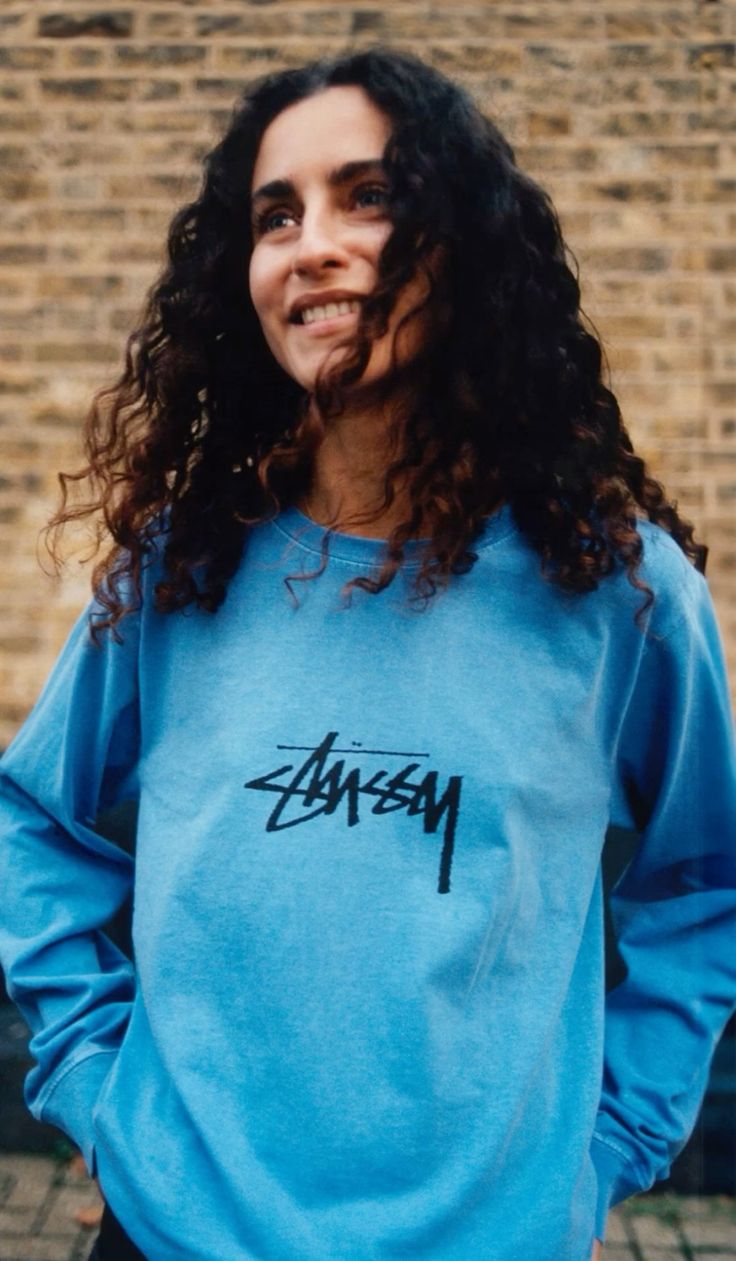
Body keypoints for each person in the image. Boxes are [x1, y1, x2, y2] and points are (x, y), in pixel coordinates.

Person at [0, 47, 734, 1261]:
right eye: (275, 216)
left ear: (464, 243)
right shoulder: (182, 567)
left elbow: (704, 881)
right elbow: (32, 819)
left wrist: (610, 1141)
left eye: (369, 197)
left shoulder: (619, 591)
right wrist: (90, 1078)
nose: (313, 245)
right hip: (175, 1233)